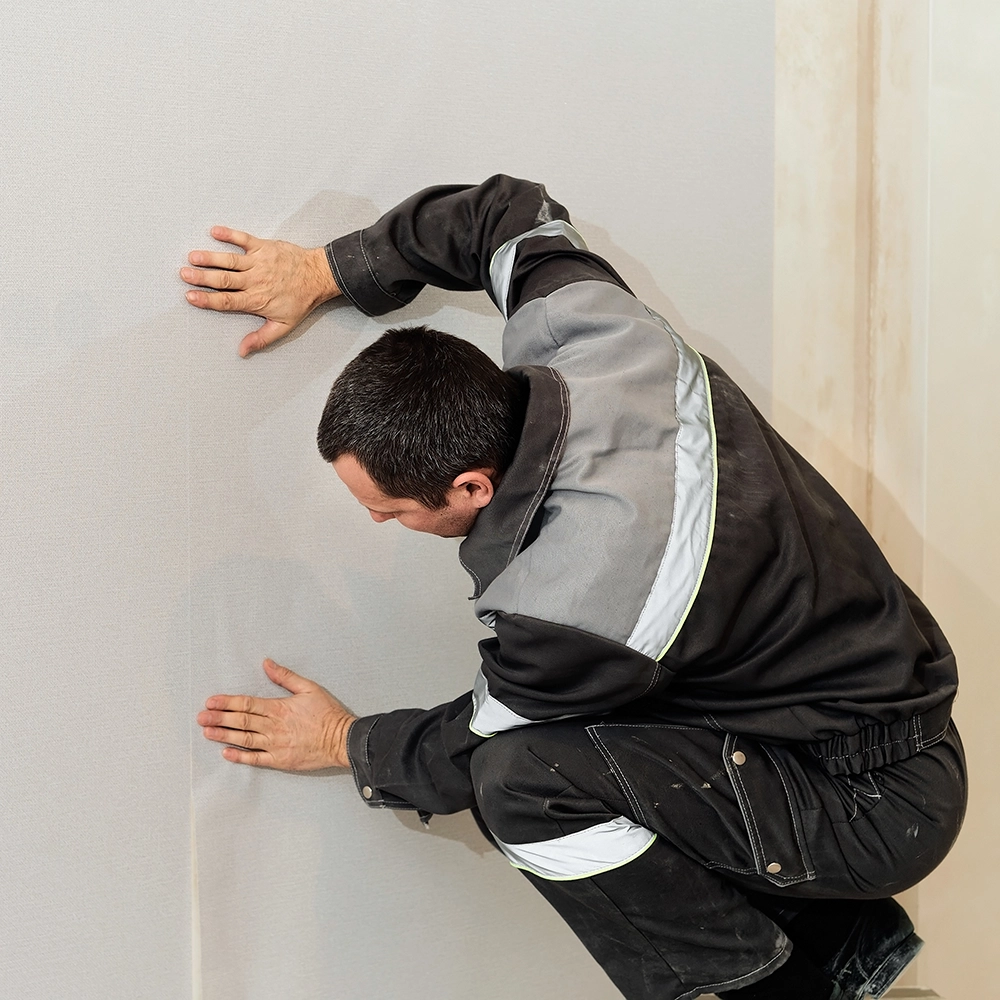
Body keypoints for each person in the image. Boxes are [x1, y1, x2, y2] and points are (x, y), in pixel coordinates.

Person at [185, 175, 966, 1000]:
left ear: (472, 487)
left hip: (870, 801)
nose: (380, 526)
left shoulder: (577, 598)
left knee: (521, 783)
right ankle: (845, 949)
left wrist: (346, 741)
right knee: (600, 717)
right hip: (858, 722)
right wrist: (331, 269)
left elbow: (469, 746)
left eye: (392, 511)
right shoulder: (594, 329)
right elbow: (502, 216)